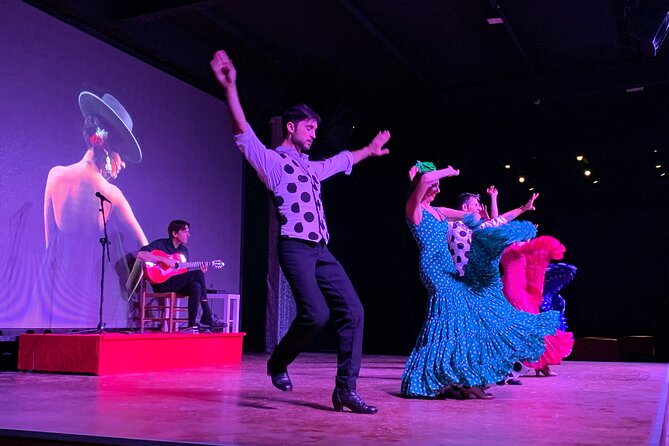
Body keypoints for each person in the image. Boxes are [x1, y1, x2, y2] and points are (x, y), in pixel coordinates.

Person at [210, 49, 390, 414]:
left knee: (354, 311)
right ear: (291, 127)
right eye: (309, 127)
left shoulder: (311, 168)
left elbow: (340, 161)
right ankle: (278, 361)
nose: (314, 133)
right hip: (294, 247)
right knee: (316, 314)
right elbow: (243, 133)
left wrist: (369, 151)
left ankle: (344, 390)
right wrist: (230, 88)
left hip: (321, 250)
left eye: (316, 129)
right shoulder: (273, 163)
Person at [402, 161, 561, 399]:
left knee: (465, 320)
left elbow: (480, 220)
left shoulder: (439, 211)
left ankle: (463, 378)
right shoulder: (414, 210)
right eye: (434, 184)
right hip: (433, 270)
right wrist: (449, 172)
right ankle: (444, 377)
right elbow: (423, 182)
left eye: (437, 185)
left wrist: (511, 216)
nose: (438, 188)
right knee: (447, 321)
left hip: (449, 268)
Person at [36, 92, 148, 327]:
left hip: (54, 295)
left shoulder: (54, 174)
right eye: (122, 154)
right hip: (91, 297)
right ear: (106, 147)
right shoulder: (112, 194)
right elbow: (145, 247)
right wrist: (128, 290)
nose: (123, 163)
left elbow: (50, 249)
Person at [500, 236, 574, 377]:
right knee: (529, 324)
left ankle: (541, 364)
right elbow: (497, 225)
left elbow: (497, 223)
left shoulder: (519, 246)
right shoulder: (508, 244)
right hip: (513, 289)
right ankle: (536, 365)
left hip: (520, 287)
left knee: (533, 324)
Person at [137, 220, 226, 330]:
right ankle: (206, 314)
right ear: (175, 234)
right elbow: (141, 254)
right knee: (197, 275)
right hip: (161, 283)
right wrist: (163, 259)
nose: (188, 235)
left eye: (188, 232)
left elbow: (183, 273)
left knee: (196, 285)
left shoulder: (184, 250)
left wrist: (201, 274)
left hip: (176, 283)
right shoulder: (161, 244)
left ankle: (192, 324)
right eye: (185, 232)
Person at [448, 187, 538, 276]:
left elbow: (500, 220)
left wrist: (523, 209)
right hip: (462, 282)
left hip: (482, 282)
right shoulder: (452, 226)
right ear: (465, 207)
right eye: (476, 205)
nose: (479, 208)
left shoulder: (481, 227)